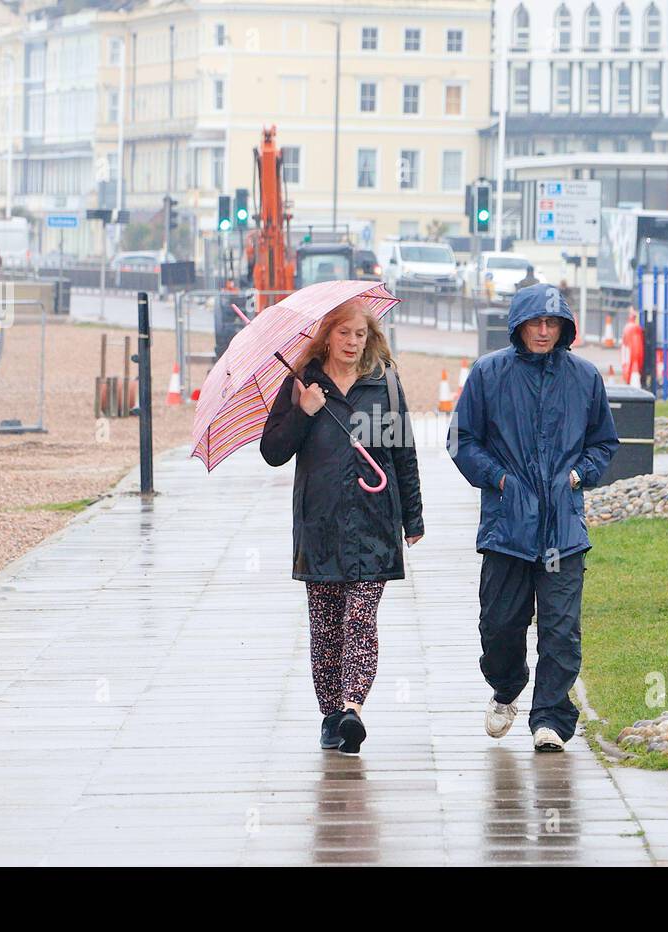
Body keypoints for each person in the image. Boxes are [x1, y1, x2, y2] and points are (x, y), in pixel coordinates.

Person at [450, 283, 618, 752]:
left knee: (561, 630)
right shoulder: (488, 374)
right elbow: (462, 441)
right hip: (507, 529)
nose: (543, 332)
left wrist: (580, 476)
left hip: (563, 530)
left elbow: (604, 442)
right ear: (518, 326)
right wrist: (499, 479)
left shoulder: (585, 378)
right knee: (499, 627)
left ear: (564, 328)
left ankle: (551, 716)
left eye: (552, 324)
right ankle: (507, 688)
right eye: (535, 323)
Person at [261, 299, 424, 756]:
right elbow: (273, 451)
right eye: (344, 334)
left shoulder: (384, 385)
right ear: (326, 335)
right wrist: (304, 411)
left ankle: (353, 707)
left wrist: (413, 517)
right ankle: (331, 715)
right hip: (320, 524)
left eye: (361, 335)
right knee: (326, 625)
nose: (353, 343)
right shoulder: (301, 384)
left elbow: (403, 455)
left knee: (360, 618)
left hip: (374, 522)